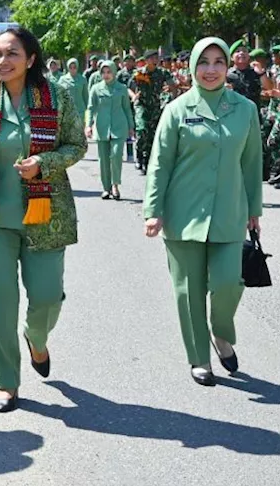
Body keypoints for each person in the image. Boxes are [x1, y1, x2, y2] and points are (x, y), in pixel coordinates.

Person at [0, 27, 86, 412]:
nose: (2, 61)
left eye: (12, 54)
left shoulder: (58, 98)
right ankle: (7, 381)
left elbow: (77, 145)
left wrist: (45, 162)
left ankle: (36, 338)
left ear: (31, 59)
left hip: (46, 217)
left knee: (45, 298)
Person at [144, 38, 262, 386]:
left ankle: (221, 332)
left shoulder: (245, 109)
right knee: (188, 290)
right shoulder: (177, 110)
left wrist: (254, 208)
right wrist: (153, 209)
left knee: (229, 282)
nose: (211, 70)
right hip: (183, 213)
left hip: (229, 211)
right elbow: (160, 164)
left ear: (228, 67)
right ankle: (199, 358)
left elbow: (252, 163)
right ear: (192, 67)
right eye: (204, 62)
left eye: (218, 62)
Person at [85, 59, 133, 199]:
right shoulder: (96, 89)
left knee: (117, 155)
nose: (106, 75)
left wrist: (131, 126)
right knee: (104, 159)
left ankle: (115, 185)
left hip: (119, 127)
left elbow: (126, 108)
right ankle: (106, 188)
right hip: (102, 127)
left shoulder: (122, 88)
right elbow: (91, 108)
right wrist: (88, 125)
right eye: (103, 72)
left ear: (114, 72)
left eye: (109, 72)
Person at [129, 49, 173, 173]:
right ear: (146, 60)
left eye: (156, 58)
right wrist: (133, 96)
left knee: (152, 135)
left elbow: (172, 86)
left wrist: (171, 96)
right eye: (152, 58)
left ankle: (147, 160)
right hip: (141, 105)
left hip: (155, 106)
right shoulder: (139, 73)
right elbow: (129, 88)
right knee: (142, 129)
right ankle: (139, 156)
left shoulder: (163, 73)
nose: (155, 60)